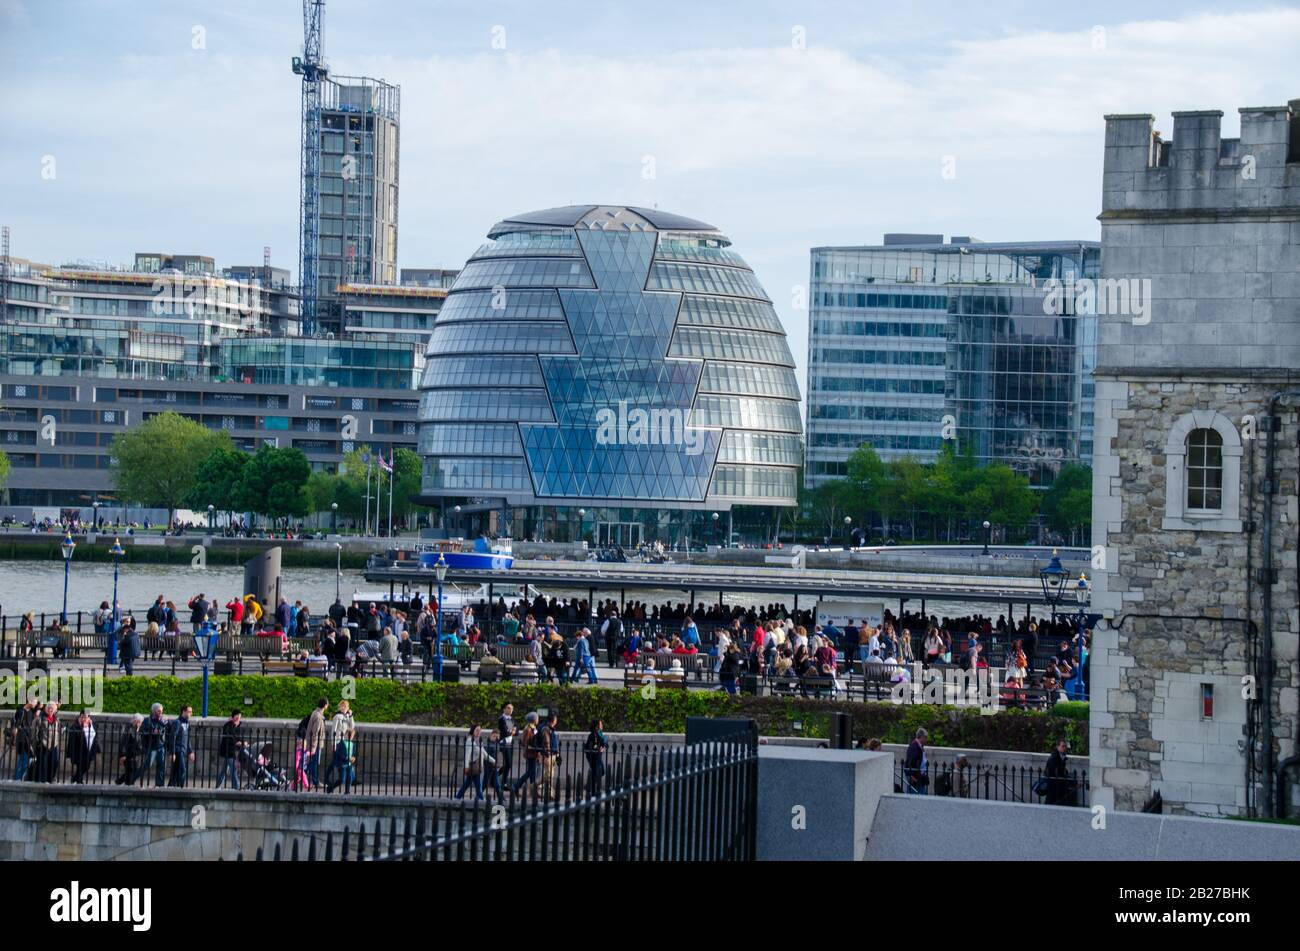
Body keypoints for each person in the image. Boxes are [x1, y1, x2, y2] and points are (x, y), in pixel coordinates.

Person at [324, 700, 355, 789]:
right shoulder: (337, 716)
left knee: (336, 760)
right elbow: (333, 731)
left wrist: (351, 716)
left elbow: (352, 727)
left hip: (343, 742)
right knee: (335, 760)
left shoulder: (347, 716)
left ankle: (348, 780)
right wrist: (333, 743)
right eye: (342, 706)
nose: (344, 708)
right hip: (337, 741)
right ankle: (327, 778)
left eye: (345, 706)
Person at [454, 725, 488, 800]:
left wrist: (494, 761)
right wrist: (466, 766)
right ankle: (481, 800)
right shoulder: (470, 740)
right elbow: (467, 755)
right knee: (477, 785)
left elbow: (484, 754)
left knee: (468, 784)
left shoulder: (479, 740)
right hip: (473, 766)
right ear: (472, 731)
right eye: (477, 730)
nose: (479, 732)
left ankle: (457, 797)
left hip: (477, 766)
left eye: (480, 730)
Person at [137, 703, 168, 786]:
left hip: (161, 746)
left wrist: (161, 722)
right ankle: (132, 779)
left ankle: (159, 785)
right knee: (146, 766)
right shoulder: (147, 720)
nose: (160, 713)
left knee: (162, 767)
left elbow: (166, 730)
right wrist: (151, 733)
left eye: (161, 711)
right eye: (159, 711)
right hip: (152, 746)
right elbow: (142, 732)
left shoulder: (163, 720)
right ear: (154, 711)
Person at [65, 711, 99, 784]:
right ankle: (79, 782)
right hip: (79, 750)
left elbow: (95, 736)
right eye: (82, 717)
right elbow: (72, 741)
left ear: (89, 718)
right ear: (79, 717)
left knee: (86, 767)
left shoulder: (93, 725)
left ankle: (74, 779)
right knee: (80, 767)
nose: (84, 719)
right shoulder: (75, 726)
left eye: (86, 717)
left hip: (90, 750)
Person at [511, 712, 540, 795]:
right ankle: (516, 786)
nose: (538, 719)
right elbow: (524, 742)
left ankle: (532, 791)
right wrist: (531, 748)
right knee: (531, 772)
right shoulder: (528, 729)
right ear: (534, 719)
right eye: (537, 718)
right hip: (530, 753)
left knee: (532, 773)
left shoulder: (533, 728)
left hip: (533, 753)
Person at [9, 697, 38, 781]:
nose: (36, 703)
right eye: (35, 701)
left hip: (27, 740)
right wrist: (14, 738)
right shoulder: (21, 711)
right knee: (23, 760)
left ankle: (19, 778)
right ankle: (18, 779)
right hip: (21, 740)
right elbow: (15, 727)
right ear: (29, 701)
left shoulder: (31, 712)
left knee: (26, 760)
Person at [165, 705, 194, 787]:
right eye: (189, 712)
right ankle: (180, 788)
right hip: (178, 750)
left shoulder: (187, 723)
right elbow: (172, 738)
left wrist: (190, 751)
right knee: (182, 770)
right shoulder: (177, 722)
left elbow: (187, 738)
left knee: (175, 772)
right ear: (183, 712)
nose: (191, 714)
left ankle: (170, 788)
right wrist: (172, 752)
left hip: (183, 750)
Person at [304, 698, 329, 791]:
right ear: (325, 705)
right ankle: (315, 781)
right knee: (314, 763)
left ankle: (301, 775)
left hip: (314, 743)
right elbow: (315, 732)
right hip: (316, 744)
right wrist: (314, 747)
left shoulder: (316, 713)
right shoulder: (318, 716)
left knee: (312, 763)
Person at [216, 710, 245, 790]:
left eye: (239, 717)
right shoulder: (228, 725)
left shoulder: (239, 726)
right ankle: (237, 788)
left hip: (234, 751)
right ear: (233, 717)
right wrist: (236, 743)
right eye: (237, 717)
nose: (238, 719)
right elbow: (228, 738)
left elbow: (239, 738)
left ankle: (218, 786)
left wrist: (243, 743)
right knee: (234, 770)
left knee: (224, 771)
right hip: (228, 750)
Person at [33, 702, 61, 783]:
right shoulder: (40, 718)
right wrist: (37, 744)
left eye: (52, 708)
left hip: (54, 745)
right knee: (43, 765)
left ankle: (49, 780)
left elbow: (58, 731)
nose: (50, 709)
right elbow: (34, 732)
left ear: (55, 710)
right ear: (46, 709)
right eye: (49, 708)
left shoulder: (56, 719)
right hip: (43, 745)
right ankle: (42, 782)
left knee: (55, 763)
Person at [537, 712, 560, 801]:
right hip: (548, 755)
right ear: (554, 719)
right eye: (556, 719)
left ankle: (534, 786)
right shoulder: (546, 729)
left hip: (552, 754)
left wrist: (557, 753)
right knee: (549, 775)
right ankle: (550, 794)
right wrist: (547, 755)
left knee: (550, 775)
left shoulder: (550, 728)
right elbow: (546, 743)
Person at [116, 714, 143, 785]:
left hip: (133, 754)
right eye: (140, 722)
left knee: (132, 770)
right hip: (128, 754)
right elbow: (123, 743)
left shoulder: (137, 729)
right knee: (130, 770)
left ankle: (120, 782)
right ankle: (128, 784)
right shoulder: (129, 729)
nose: (140, 724)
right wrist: (123, 755)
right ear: (136, 721)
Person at [1045, 738, 1073, 806]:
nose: (1065, 748)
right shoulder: (1054, 758)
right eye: (1063, 746)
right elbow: (1056, 773)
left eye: (1065, 746)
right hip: (1054, 788)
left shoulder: (1062, 757)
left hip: (1058, 788)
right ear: (1057, 747)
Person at [584, 718, 607, 798]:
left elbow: (604, 741)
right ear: (597, 726)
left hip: (598, 757)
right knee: (595, 775)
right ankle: (594, 792)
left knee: (601, 772)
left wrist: (603, 747)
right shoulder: (592, 735)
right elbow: (588, 747)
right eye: (600, 724)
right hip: (594, 758)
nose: (602, 726)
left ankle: (590, 786)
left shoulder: (600, 734)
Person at [903, 728, 928, 795]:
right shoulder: (914, 746)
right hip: (915, 778)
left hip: (919, 776)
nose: (926, 739)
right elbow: (910, 762)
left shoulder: (919, 746)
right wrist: (911, 776)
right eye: (925, 737)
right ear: (921, 737)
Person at [497, 702, 516, 786]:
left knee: (508, 764)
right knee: (508, 763)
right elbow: (505, 731)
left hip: (510, 742)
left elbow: (516, 730)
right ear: (504, 709)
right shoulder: (502, 719)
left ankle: (499, 778)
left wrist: (512, 731)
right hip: (504, 743)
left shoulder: (510, 719)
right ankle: (502, 780)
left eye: (512, 708)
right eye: (508, 708)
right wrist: (512, 731)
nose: (510, 710)